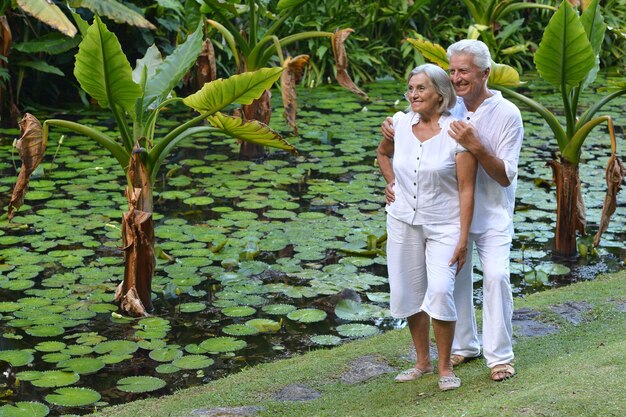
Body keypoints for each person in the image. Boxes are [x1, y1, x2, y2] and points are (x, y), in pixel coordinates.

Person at [381, 40, 524, 382]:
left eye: (465, 71)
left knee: (496, 278)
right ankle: (465, 346)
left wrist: (478, 145)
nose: (458, 77)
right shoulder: (449, 105)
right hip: (448, 213)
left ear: (485, 73)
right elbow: (408, 134)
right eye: (453, 71)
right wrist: (392, 134)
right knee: (452, 285)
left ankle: (500, 357)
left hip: (491, 214)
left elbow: (504, 176)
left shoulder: (507, 114)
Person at [377, 63, 477, 391]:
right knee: (408, 293)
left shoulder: (456, 133)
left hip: (445, 225)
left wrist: (463, 239)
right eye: (410, 88)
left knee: (439, 291)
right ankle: (422, 362)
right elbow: (383, 154)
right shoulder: (400, 124)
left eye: (421, 88)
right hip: (403, 220)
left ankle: (446, 367)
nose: (413, 94)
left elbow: (466, 189)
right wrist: (391, 181)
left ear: (439, 95)